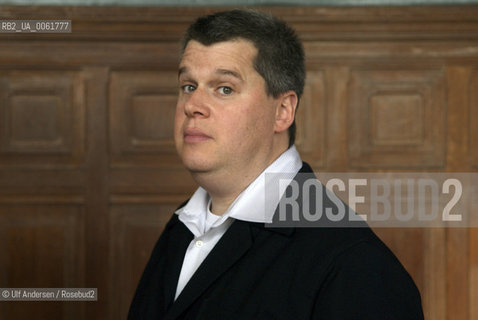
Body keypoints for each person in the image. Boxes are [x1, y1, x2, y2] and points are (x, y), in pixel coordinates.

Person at [128, 9, 424, 320]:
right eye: (189, 86)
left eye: (224, 88)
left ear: (282, 111)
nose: (192, 105)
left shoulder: (355, 265)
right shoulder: (181, 228)